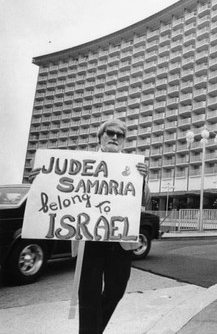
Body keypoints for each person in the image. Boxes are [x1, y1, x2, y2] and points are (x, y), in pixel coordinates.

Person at [29, 118, 150, 334]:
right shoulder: (82, 163)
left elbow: (144, 202)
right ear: (100, 137)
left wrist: (142, 179)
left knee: (116, 291)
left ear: (123, 141)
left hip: (120, 242)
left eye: (119, 135)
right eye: (110, 133)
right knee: (88, 295)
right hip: (89, 242)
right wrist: (39, 180)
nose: (114, 137)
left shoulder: (133, 167)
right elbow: (55, 190)